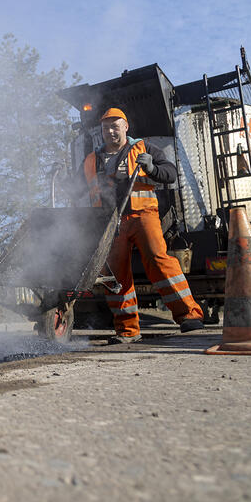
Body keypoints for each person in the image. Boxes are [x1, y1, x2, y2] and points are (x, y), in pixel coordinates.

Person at [84, 107, 205, 343]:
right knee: (114, 276)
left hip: (143, 215)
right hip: (109, 222)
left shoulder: (144, 148)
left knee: (158, 260)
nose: (110, 131)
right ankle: (127, 331)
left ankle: (189, 315)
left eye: (114, 126)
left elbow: (170, 173)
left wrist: (151, 168)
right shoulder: (91, 160)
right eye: (106, 127)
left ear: (125, 127)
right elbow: (78, 190)